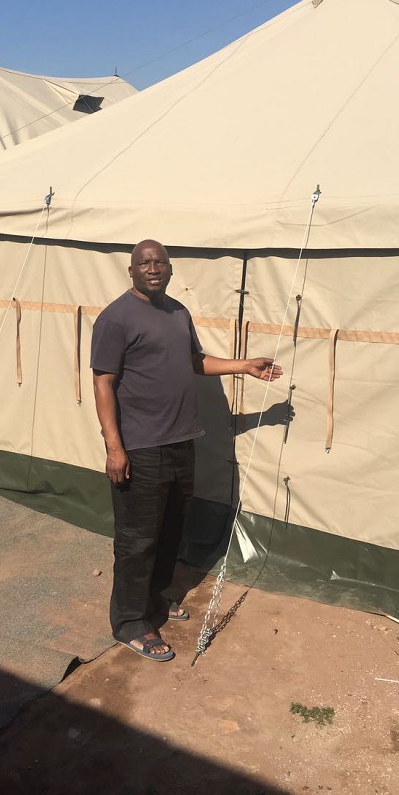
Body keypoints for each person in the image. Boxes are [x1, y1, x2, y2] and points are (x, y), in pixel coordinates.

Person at [91, 239, 282, 661]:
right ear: (131, 270)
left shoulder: (178, 313)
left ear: (171, 269)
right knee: (136, 540)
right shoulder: (115, 318)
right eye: (144, 263)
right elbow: (103, 383)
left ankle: (157, 599)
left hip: (181, 441)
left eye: (160, 262)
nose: (153, 268)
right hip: (141, 446)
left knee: (170, 529)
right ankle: (130, 623)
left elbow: (194, 361)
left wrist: (244, 366)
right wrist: (114, 448)